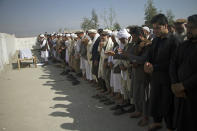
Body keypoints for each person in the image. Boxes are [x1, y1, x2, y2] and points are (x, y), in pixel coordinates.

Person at [144, 14, 179, 131]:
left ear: (166, 26)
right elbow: (149, 55)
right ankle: (157, 122)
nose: (155, 31)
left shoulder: (174, 41)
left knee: (167, 104)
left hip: (168, 79)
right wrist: (147, 63)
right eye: (153, 28)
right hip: (155, 78)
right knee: (155, 101)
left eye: (158, 28)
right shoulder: (155, 40)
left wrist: (155, 67)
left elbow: (173, 62)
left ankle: (170, 127)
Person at [170, 14, 197, 131]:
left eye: (192, 27)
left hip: (193, 93)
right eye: (188, 27)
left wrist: (184, 85)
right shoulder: (183, 45)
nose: (189, 30)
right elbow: (172, 64)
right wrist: (175, 84)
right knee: (181, 121)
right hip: (179, 92)